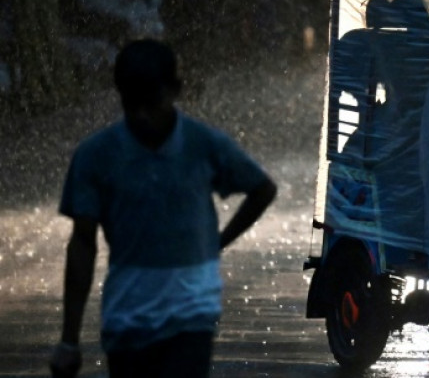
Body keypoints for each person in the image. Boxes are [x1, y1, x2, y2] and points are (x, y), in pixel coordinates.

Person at [49, 39, 278, 378]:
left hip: (192, 313)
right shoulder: (95, 156)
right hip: (127, 317)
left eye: (151, 103)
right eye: (132, 104)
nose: (142, 115)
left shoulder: (204, 145)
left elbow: (262, 189)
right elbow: (82, 243)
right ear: (120, 94)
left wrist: (217, 242)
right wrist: (69, 341)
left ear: (175, 91)